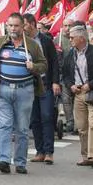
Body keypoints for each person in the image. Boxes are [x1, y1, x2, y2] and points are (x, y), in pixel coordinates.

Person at [0, 13, 46, 174]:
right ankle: (4, 159)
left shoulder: (32, 45)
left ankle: (20, 162)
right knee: (4, 125)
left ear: (23, 27)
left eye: (16, 25)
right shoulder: (0, 43)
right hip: (3, 89)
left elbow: (44, 65)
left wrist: (34, 67)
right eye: (10, 25)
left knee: (22, 128)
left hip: (24, 90)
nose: (13, 28)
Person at [60, 25, 93, 170]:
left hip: (92, 92)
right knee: (81, 127)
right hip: (78, 93)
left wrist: (90, 85)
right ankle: (85, 156)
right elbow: (66, 74)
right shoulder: (70, 54)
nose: (70, 40)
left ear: (81, 38)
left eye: (72, 37)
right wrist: (71, 86)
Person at [23, 12, 59, 164]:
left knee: (47, 116)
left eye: (23, 24)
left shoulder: (45, 41)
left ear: (31, 24)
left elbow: (54, 62)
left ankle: (49, 151)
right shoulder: (22, 42)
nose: (22, 28)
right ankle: (40, 151)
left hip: (45, 84)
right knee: (34, 119)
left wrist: (56, 82)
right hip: (29, 85)